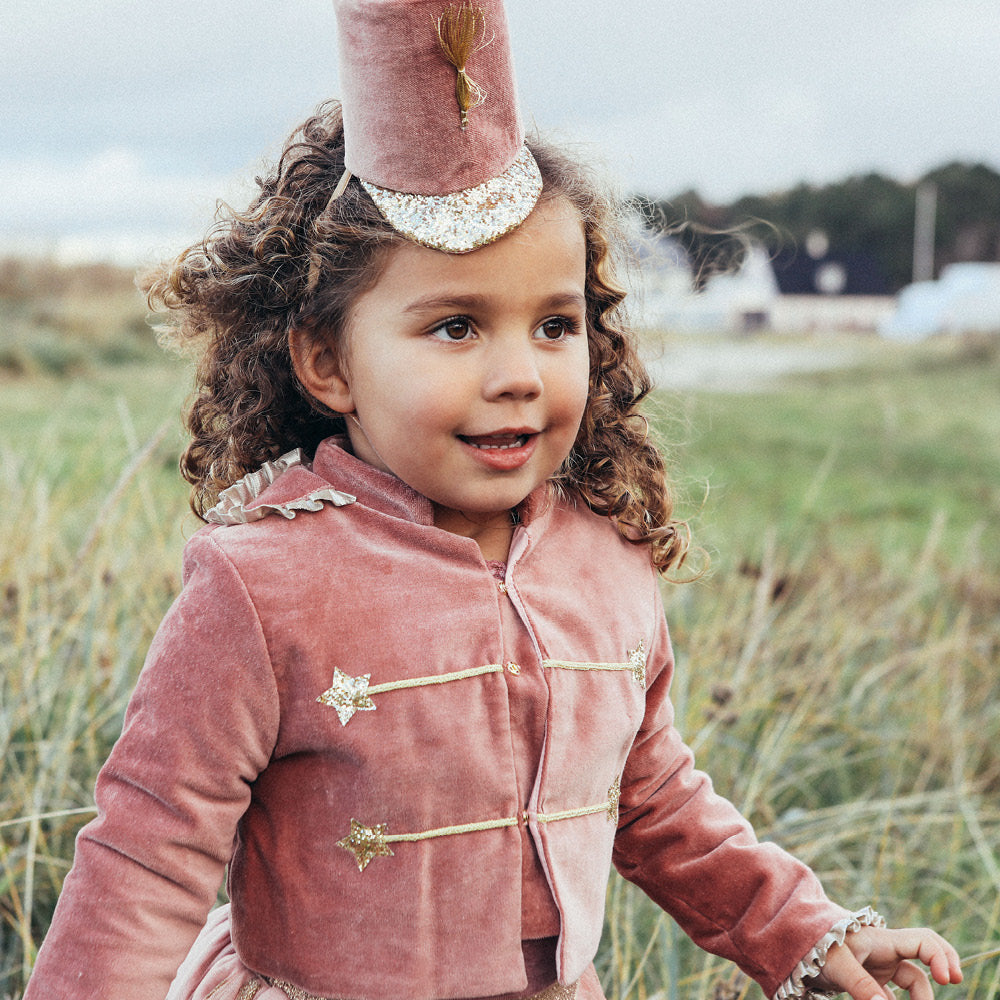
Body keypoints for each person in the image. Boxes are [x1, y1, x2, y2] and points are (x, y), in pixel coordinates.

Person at [24, 2, 963, 999]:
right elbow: (147, 854)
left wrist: (802, 930)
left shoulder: (605, 558)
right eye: (456, 326)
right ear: (326, 360)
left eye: (554, 324)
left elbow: (650, 798)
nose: (519, 373)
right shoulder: (260, 587)